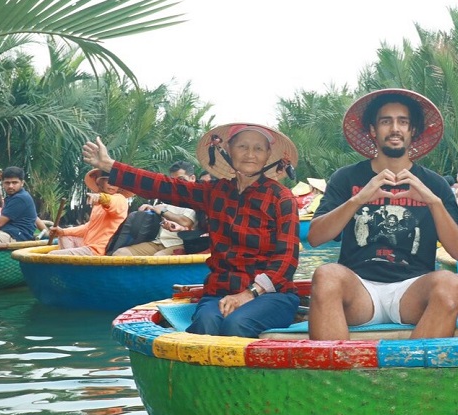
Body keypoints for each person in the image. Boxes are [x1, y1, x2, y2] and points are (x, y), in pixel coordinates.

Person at [81, 122, 301, 338]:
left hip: (271, 296)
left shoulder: (281, 198)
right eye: (242, 146)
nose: (250, 154)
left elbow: (286, 261)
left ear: (268, 155)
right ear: (228, 151)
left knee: (237, 324)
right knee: (207, 323)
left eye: (258, 148)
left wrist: (248, 294)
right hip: (220, 292)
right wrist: (111, 166)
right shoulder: (215, 192)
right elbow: (163, 185)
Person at [307, 88, 458, 340]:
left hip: (411, 290)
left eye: (403, 122)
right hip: (359, 290)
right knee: (326, 275)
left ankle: (413, 375)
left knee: (450, 283)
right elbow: (315, 237)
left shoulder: (433, 184)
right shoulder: (347, 178)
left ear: (412, 131)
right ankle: (338, 376)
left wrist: (433, 202)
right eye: (385, 121)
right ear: (373, 130)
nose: (395, 128)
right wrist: (358, 199)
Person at [111, 161, 198, 256]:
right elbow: (161, 209)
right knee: (120, 253)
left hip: (181, 244)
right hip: (158, 242)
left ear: (192, 178)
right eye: (174, 181)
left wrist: (163, 211)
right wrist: (152, 208)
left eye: (181, 180)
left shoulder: (198, 199)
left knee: (157, 258)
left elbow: (185, 221)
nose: (177, 185)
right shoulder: (168, 198)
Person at [48, 170, 130, 256]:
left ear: (119, 187)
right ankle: (72, 266)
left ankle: (70, 265)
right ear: (100, 183)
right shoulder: (98, 205)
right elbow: (89, 227)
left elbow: (112, 202)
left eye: (115, 182)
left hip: (100, 250)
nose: (111, 184)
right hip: (89, 246)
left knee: (51, 255)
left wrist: (100, 197)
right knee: (64, 236)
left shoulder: (120, 199)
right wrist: (62, 231)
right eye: (108, 180)